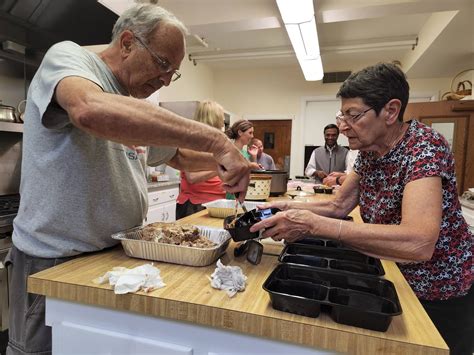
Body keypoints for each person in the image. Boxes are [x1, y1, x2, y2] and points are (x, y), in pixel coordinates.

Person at [5, 4, 251, 355]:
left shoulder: (128, 104)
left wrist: (230, 161)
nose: (166, 79)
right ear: (127, 43)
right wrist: (217, 141)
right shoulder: (70, 59)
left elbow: (176, 155)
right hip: (55, 260)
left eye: (173, 73)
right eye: (163, 64)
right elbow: (88, 109)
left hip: (115, 256)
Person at [251, 63, 472, 355]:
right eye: (342, 115)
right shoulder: (369, 153)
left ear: (391, 111)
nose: (342, 126)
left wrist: (314, 225)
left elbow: (419, 242)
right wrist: (285, 206)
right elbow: (338, 204)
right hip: (396, 278)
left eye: (353, 115)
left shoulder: (424, 148)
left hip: (438, 292)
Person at [176, 100, 226, 219]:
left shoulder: (216, 143)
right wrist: (220, 167)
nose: (223, 122)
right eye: (221, 118)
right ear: (214, 118)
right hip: (195, 204)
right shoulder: (190, 143)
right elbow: (192, 178)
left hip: (218, 202)